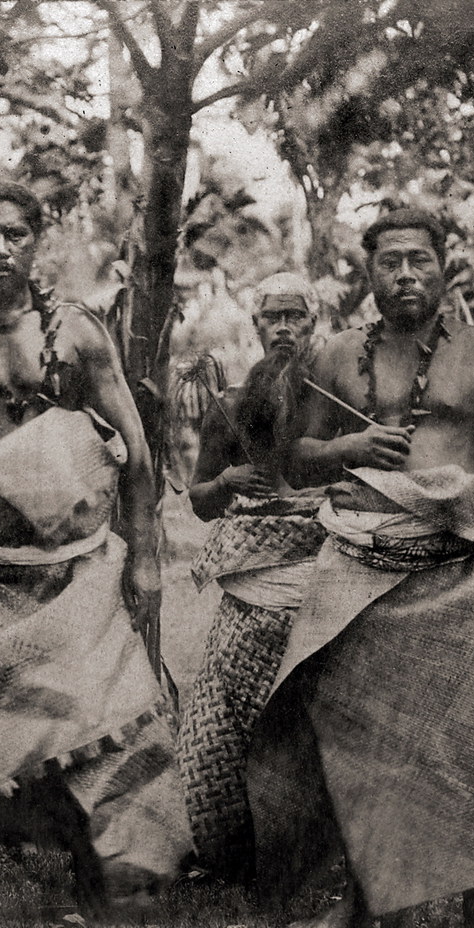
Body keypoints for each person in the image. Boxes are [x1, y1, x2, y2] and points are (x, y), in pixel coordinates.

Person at [245, 209, 474, 928]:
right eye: (389, 262)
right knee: (357, 741)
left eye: (420, 260)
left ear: (445, 267)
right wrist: (350, 444)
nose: (406, 276)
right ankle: (359, 906)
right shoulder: (332, 358)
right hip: (355, 564)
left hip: (449, 564)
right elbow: (290, 459)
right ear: (368, 275)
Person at [0, 179, 190, 928]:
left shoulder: (79, 333)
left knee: (90, 720)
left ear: (35, 243)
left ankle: (100, 879)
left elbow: (138, 454)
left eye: (14, 236)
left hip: (70, 571)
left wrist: (146, 560)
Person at [177, 272, 328, 883]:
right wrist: (225, 484)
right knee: (226, 719)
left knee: (311, 717)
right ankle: (229, 849)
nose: (285, 328)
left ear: (314, 326)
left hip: (322, 578)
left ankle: (315, 850)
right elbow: (199, 500)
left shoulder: (331, 400)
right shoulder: (232, 407)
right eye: (274, 318)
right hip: (252, 588)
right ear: (257, 326)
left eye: (297, 317)